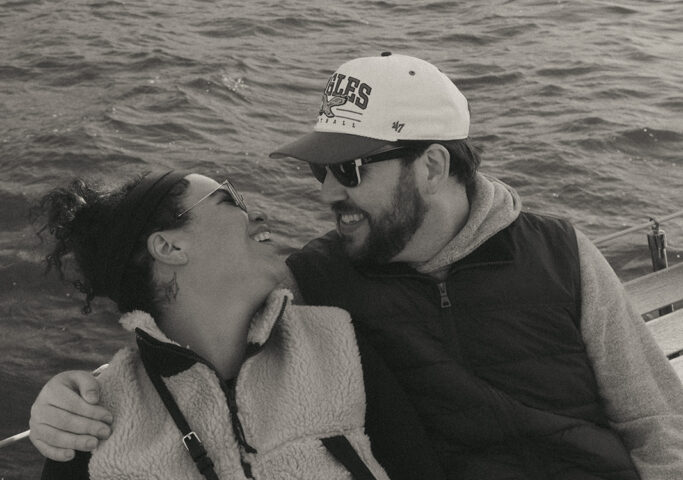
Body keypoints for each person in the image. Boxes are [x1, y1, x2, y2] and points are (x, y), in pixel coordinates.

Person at [30, 54, 683, 478]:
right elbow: (190, 331)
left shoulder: (558, 251)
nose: (326, 194)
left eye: (348, 170)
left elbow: (654, 420)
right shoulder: (316, 278)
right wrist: (71, 394)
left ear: (431, 164)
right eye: (320, 170)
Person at [29, 165, 440, 480]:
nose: (257, 214)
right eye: (230, 201)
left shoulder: (339, 345)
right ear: (170, 246)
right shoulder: (90, 419)